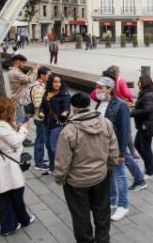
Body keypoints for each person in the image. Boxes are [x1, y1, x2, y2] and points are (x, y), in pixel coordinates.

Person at [54, 92, 119, 243]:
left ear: (73, 108)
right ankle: (103, 239)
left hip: (76, 182)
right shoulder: (105, 123)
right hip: (101, 177)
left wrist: (60, 179)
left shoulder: (69, 130)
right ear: (89, 105)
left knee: (80, 216)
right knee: (102, 212)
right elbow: (114, 150)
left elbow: (62, 161)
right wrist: (110, 166)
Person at [0, 96, 36, 236]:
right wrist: (23, 130)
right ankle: (23, 220)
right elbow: (16, 142)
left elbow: (5, 139)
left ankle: (9, 226)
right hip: (7, 165)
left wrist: (15, 128)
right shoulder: (0, 126)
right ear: (6, 110)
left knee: (4, 196)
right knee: (17, 193)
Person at [94, 76, 140, 221]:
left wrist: (121, 153)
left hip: (115, 148)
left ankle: (123, 205)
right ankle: (112, 201)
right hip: (102, 146)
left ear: (109, 89)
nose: (97, 90)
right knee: (109, 175)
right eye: (97, 87)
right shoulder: (100, 103)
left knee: (120, 176)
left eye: (100, 87)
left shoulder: (120, 105)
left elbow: (125, 131)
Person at [39, 75, 71, 175]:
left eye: (59, 82)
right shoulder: (47, 93)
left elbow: (67, 107)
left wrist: (65, 113)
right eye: (55, 82)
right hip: (46, 124)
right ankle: (52, 167)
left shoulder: (64, 95)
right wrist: (41, 111)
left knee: (54, 148)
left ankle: (60, 168)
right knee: (48, 147)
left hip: (57, 125)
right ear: (51, 83)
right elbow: (42, 106)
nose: (57, 84)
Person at [131, 75, 153, 179]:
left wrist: (132, 112)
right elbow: (144, 107)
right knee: (137, 145)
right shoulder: (145, 93)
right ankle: (149, 167)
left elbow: (148, 110)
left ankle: (151, 171)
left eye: (139, 82)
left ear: (144, 83)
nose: (138, 84)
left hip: (146, 126)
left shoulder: (148, 95)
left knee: (146, 148)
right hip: (143, 125)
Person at [7, 54, 38, 146]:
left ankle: (21, 138)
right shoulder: (15, 72)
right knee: (21, 121)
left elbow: (23, 79)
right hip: (18, 100)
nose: (24, 64)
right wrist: (35, 71)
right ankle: (20, 140)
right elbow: (29, 79)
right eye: (23, 62)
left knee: (20, 120)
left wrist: (30, 71)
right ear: (18, 62)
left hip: (18, 99)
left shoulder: (14, 72)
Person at [31, 67, 51, 171]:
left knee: (41, 138)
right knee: (40, 140)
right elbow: (38, 104)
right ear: (42, 75)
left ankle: (40, 159)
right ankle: (38, 162)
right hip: (40, 117)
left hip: (40, 116)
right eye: (48, 75)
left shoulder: (41, 85)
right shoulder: (38, 87)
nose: (49, 76)